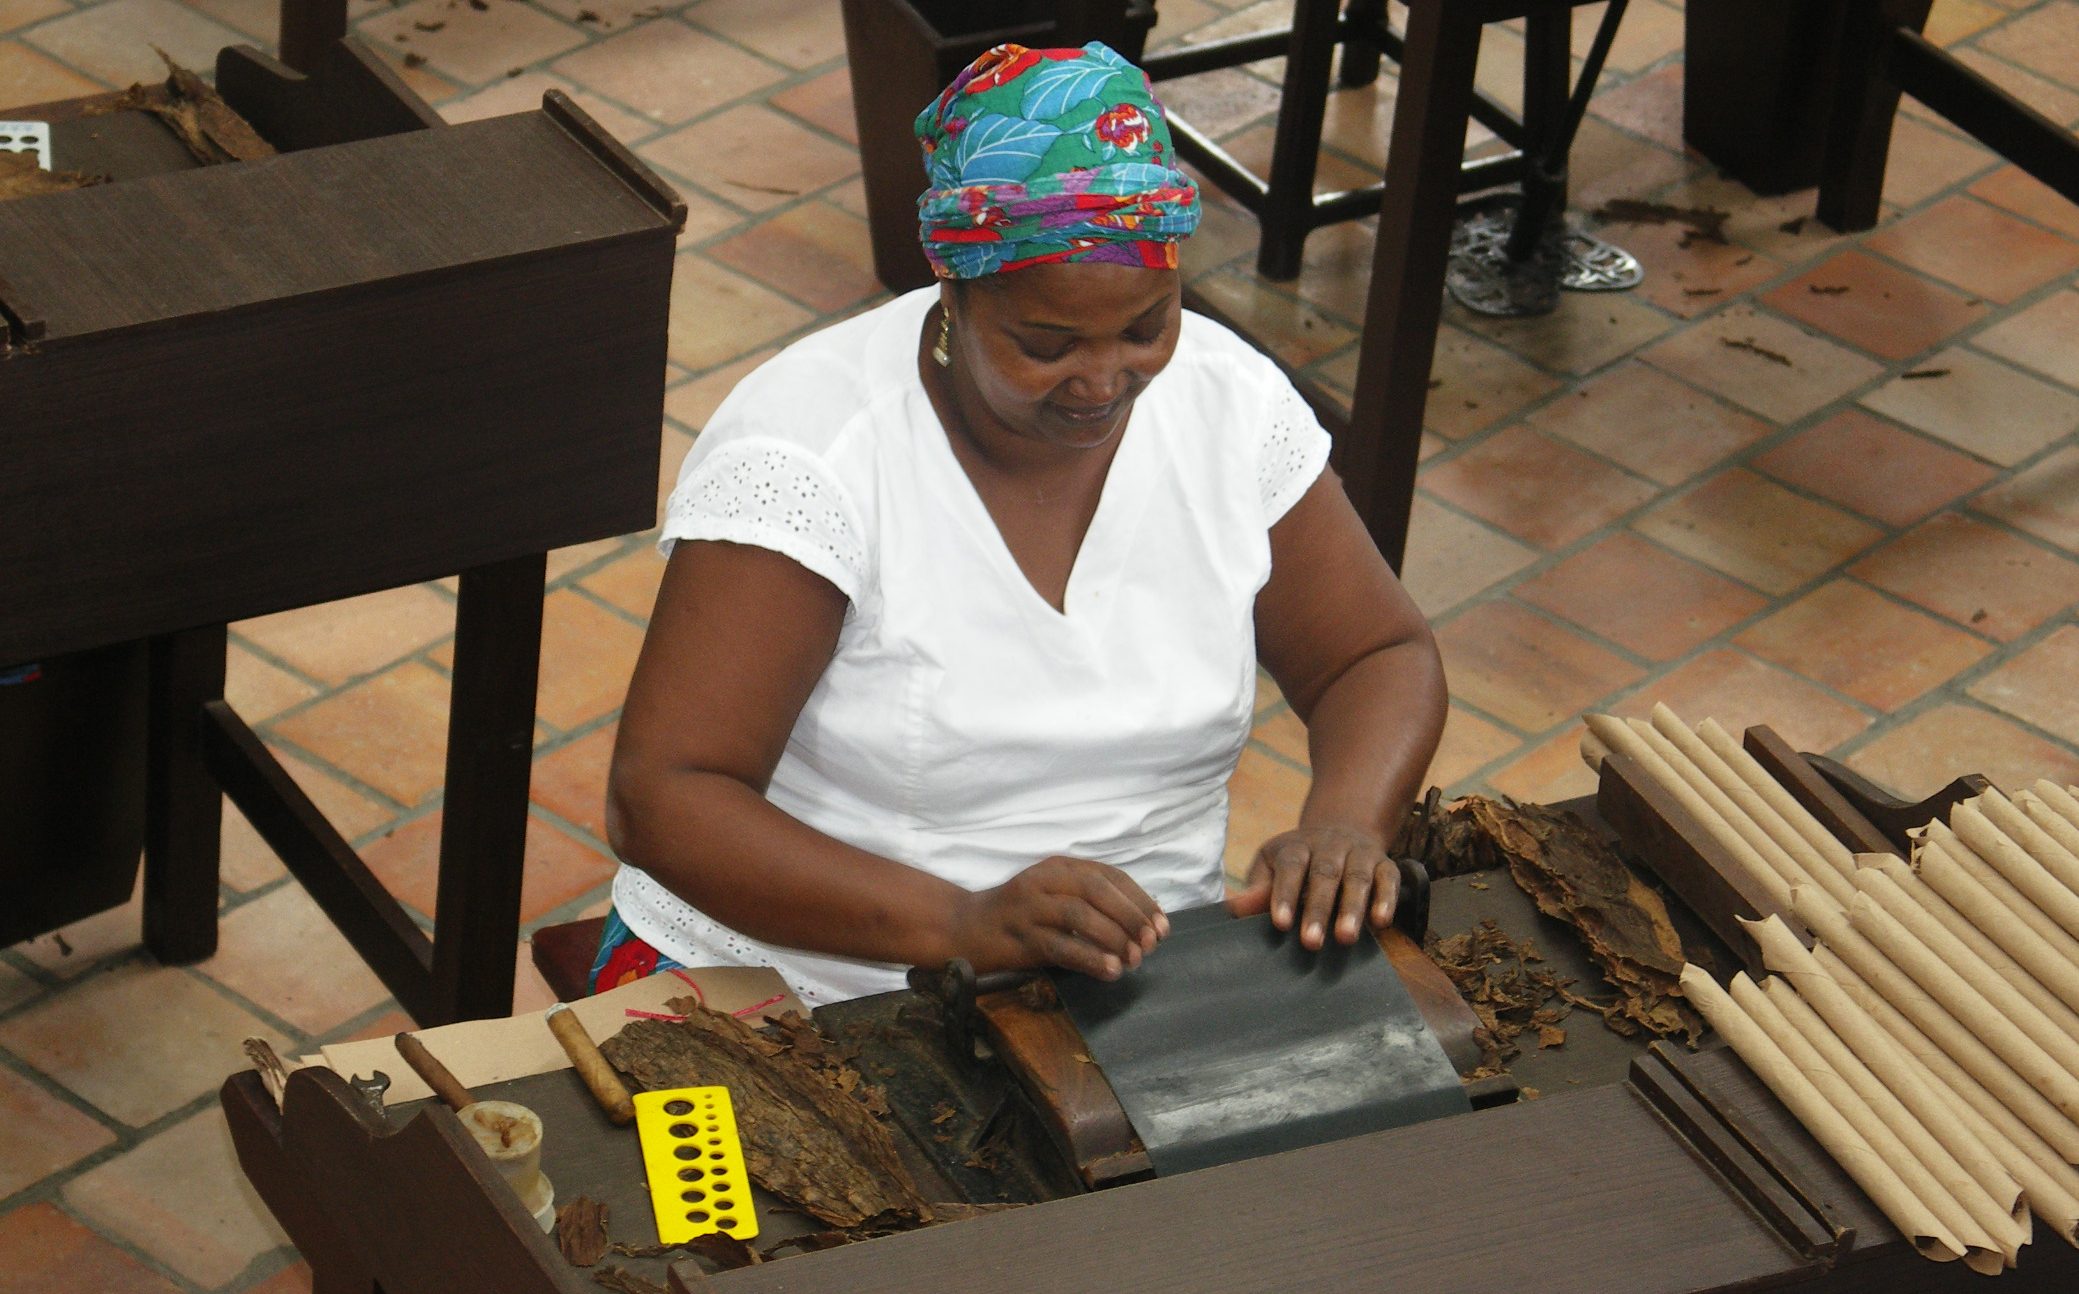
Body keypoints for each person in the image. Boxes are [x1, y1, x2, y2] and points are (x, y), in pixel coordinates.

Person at [595, 41, 1445, 1006]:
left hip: (1128, 989)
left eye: (1144, 327)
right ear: (953, 292)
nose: (1101, 380)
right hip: (807, 978)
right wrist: (959, 925)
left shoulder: (1227, 405)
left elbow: (1374, 655)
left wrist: (1345, 821)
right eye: (1046, 345)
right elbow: (665, 795)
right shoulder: (810, 458)